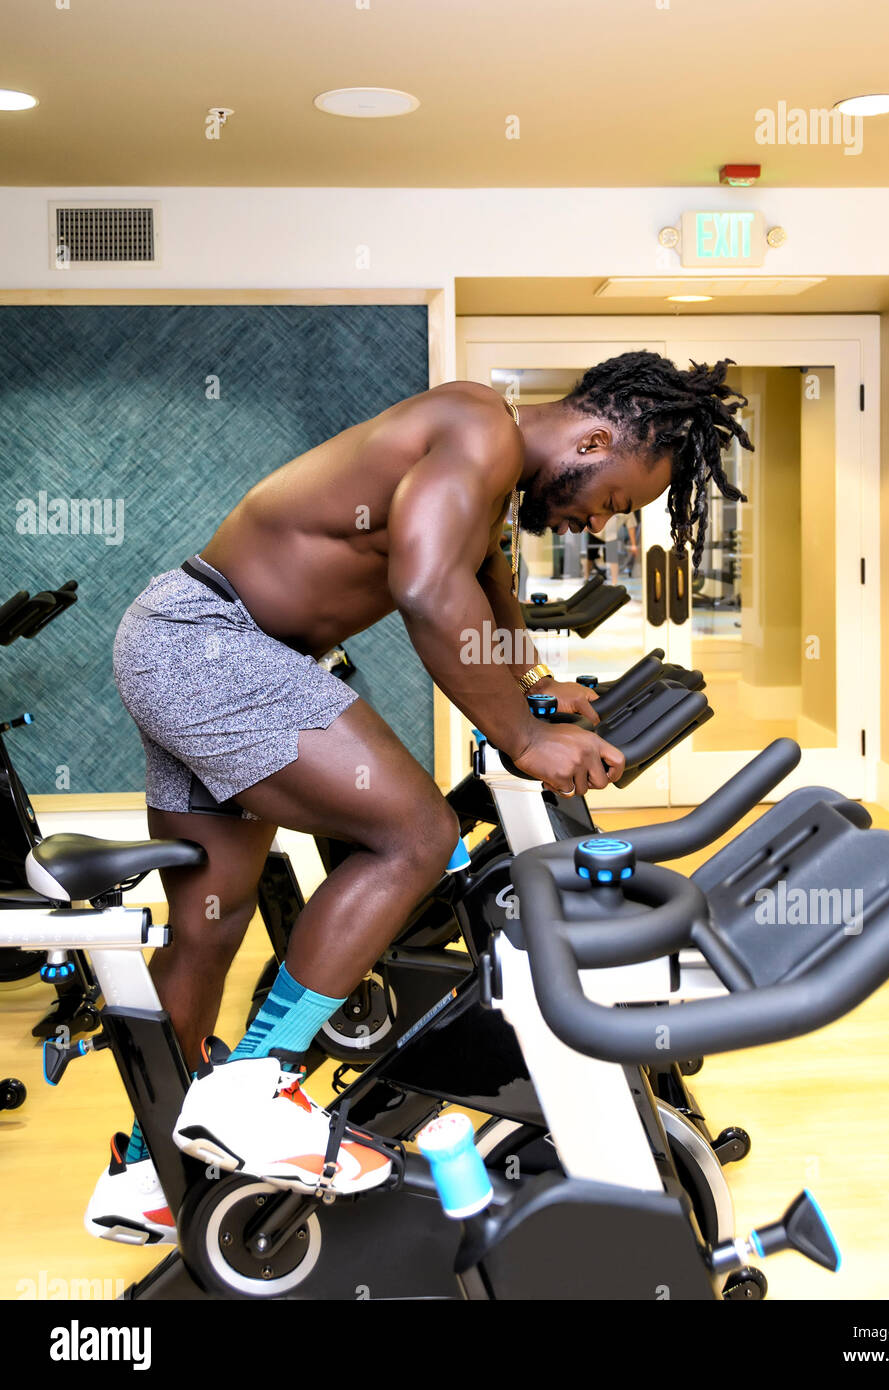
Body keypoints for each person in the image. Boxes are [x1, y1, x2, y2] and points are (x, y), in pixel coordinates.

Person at [91, 352, 751, 1241]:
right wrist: (523, 737)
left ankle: (150, 1166)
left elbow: (485, 590)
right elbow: (428, 585)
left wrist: (533, 686)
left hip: (183, 636)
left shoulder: (487, 471)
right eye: (618, 498)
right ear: (594, 439)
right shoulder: (478, 424)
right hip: (219, 644)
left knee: (211, 921)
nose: (602, 521)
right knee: (414, 833)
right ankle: (254, 1087)